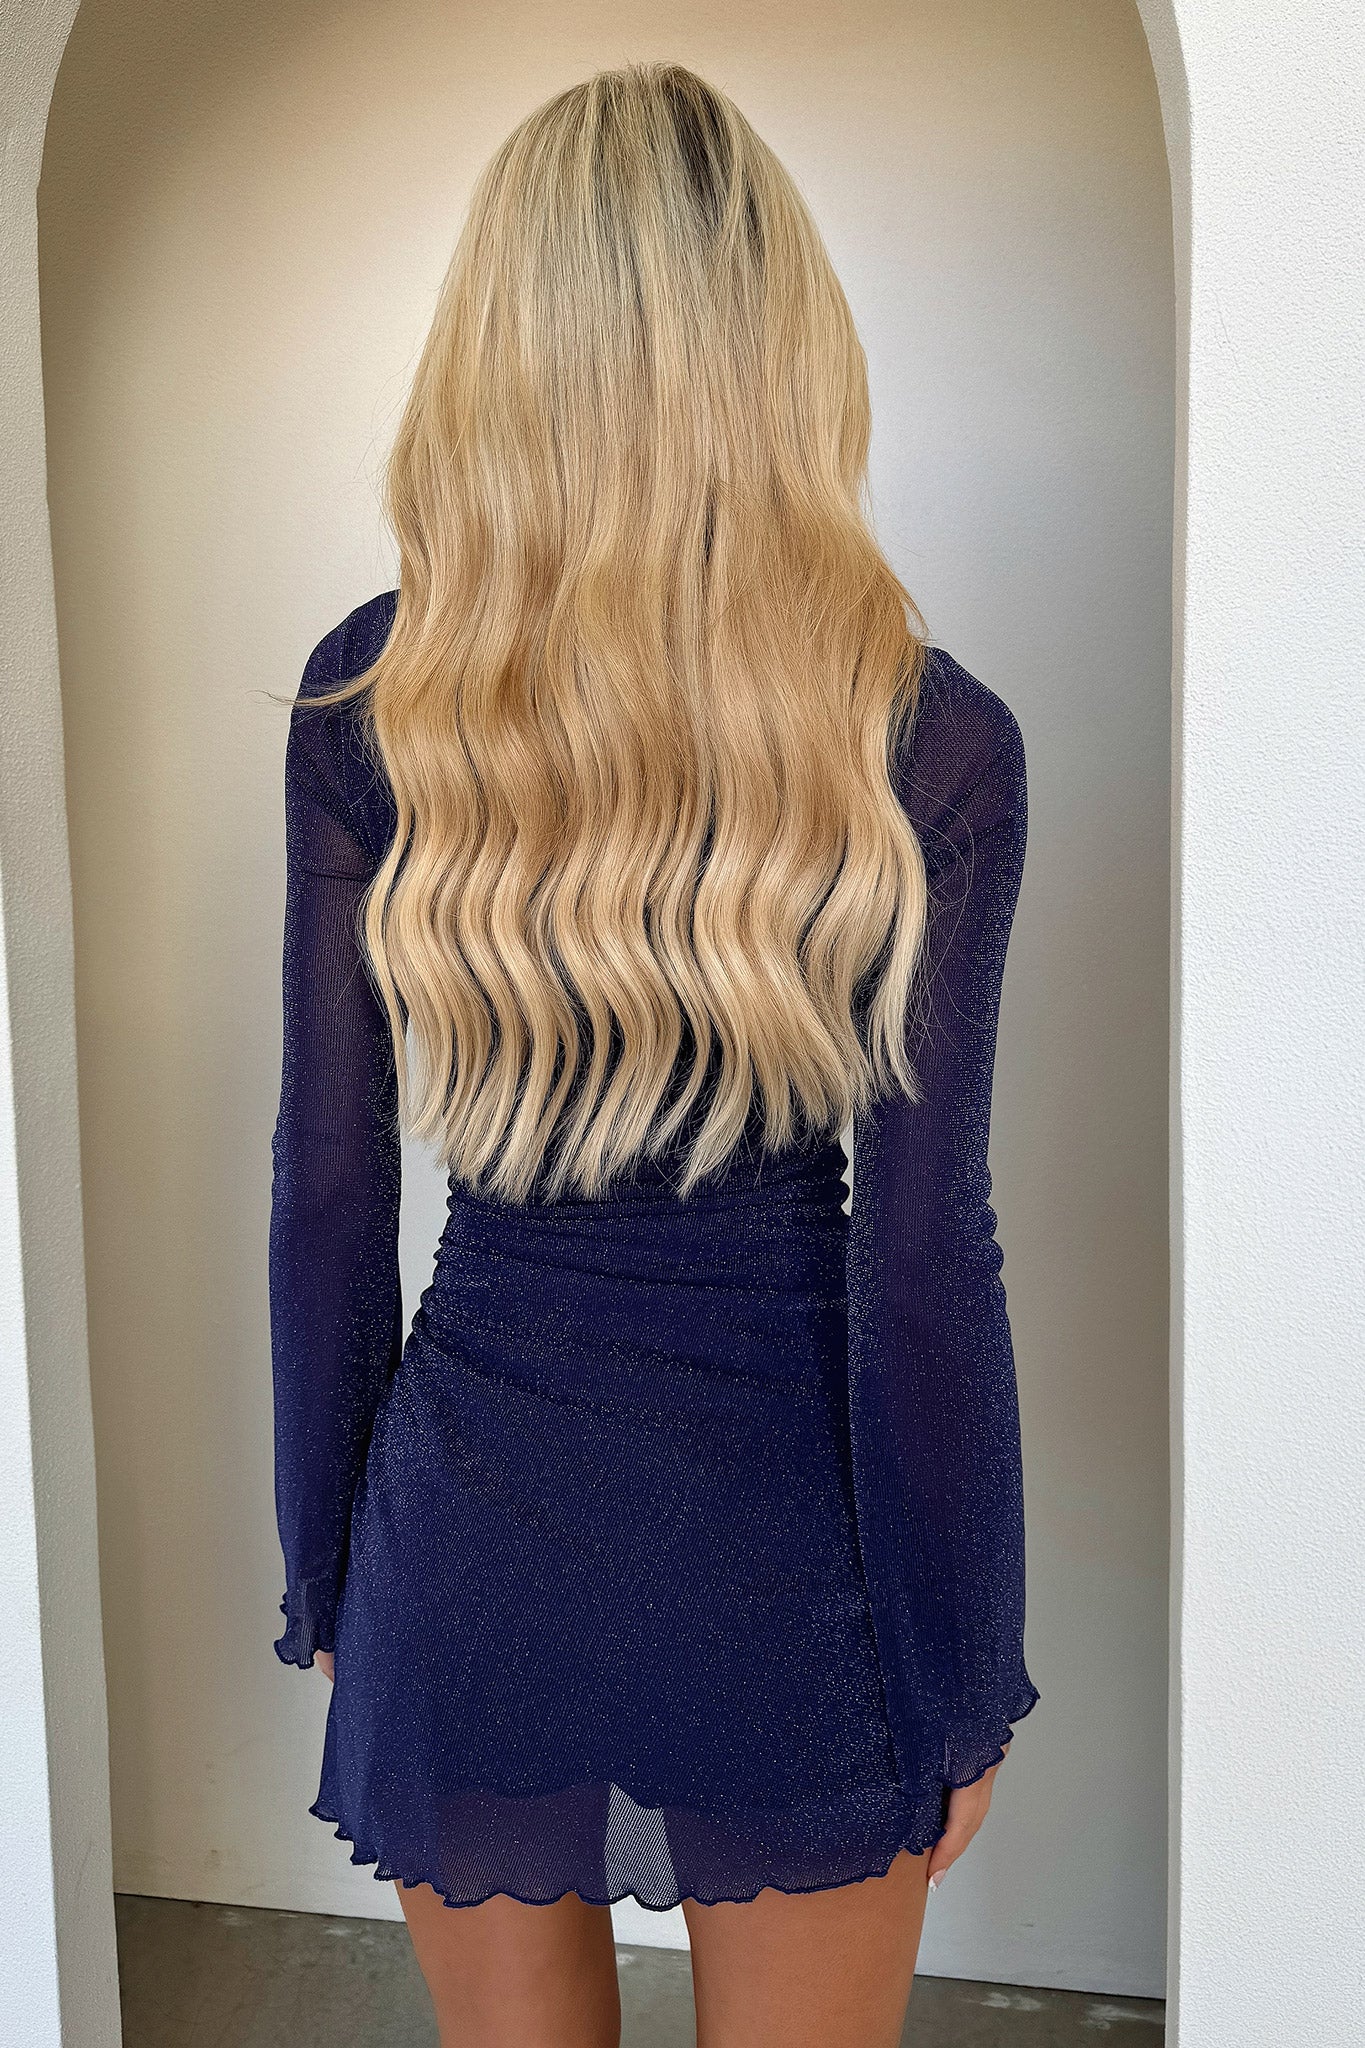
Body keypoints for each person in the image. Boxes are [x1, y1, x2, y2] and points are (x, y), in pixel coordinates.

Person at [269, 61, 1039, 2048]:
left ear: (490, 353)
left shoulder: (377, 699)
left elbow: (328, 1188)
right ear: (787, 352)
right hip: (786, 1560)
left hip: (468, 1535)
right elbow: (921, 1257)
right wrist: (965, 1670)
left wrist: (324, 1571)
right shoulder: (930, 738)